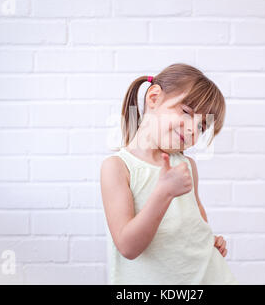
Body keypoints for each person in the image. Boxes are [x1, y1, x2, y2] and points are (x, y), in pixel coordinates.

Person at [100, 63, 238, 285]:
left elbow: (195, 223)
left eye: (202, 127)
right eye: (186, 112)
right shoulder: (117, 168)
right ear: (154, 98)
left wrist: (210, 240)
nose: (194, 129)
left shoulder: (187, 166)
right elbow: (127, 246)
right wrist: (163, 193)